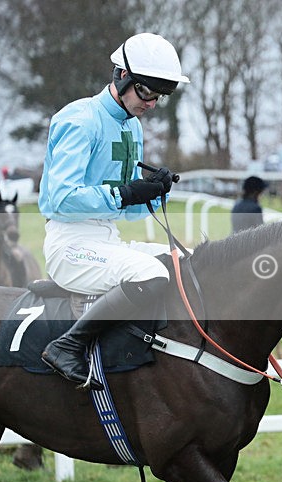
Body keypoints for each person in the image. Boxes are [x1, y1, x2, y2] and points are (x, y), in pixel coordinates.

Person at [38, 33, 190, 391]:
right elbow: (60, 197)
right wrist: (125, 193)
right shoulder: (80, 119)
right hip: (70, 245)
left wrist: (154, 194)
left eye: (160, 96)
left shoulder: (132, 125)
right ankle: (66, 347)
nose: (152, 103)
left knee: (186, 262)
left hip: (108, 241)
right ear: (121, 76)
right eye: (146, 92)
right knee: (151, 273)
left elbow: (126, 210)